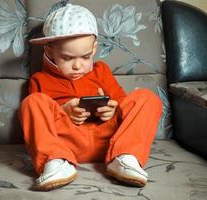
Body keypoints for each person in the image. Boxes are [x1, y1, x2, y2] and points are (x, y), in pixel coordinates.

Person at [19, 4, 163, 191]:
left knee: (147, 98)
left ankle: (125, 157)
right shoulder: (40, 79)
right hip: (67, 143)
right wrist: (63, 111)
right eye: (68, 58)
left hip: (110, 140)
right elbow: (40, 121)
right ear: (49, 52)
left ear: (94, 49)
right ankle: (55, 162)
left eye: (85, 57)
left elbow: (123, 104)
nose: (78, 66)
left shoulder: (101, 71)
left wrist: (112, 109)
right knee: (32, 103)